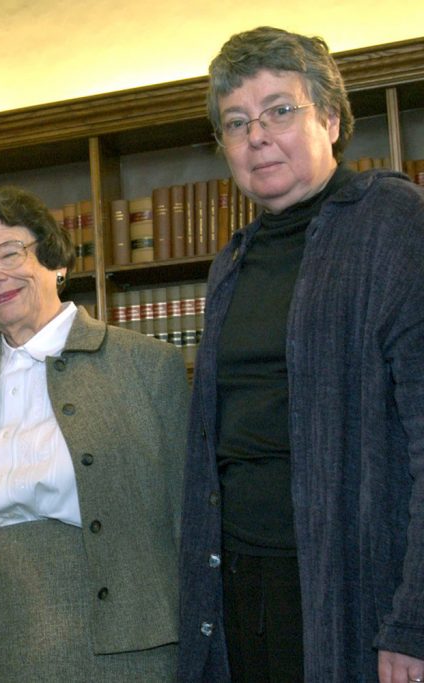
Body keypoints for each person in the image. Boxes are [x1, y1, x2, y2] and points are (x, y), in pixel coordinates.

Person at [178, 26, 424, 682]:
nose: (256, 135)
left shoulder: (392, 223)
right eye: (236, 122)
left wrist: (414, 620)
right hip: (237, 585)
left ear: (332, 118)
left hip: (345, 589)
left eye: (279, 110)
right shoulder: (230, 263)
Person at [0, 186, 189, 681]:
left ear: (55, 260)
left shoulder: (147, 367)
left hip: (123, 650)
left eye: (9, 253)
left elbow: (187, 524)